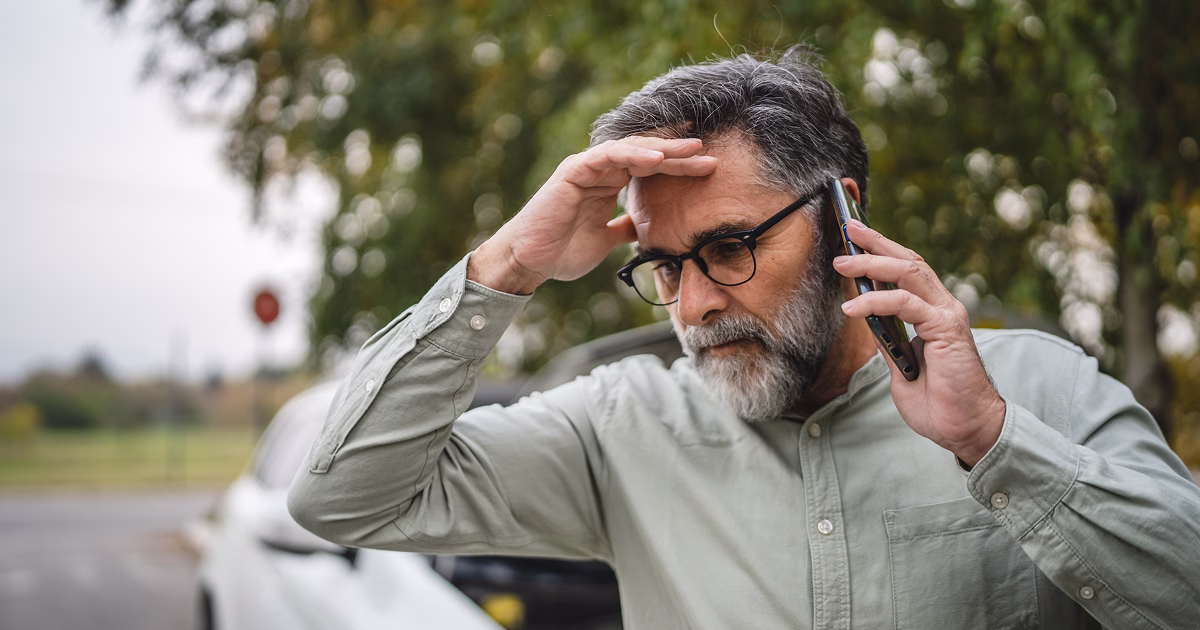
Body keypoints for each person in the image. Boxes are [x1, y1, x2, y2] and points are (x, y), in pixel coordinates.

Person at [288, 47, 1200, 629]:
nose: (690, 305)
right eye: (664, 265)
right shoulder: (616, 430)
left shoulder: (1039, 391)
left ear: (843, 215)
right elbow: (339, 498)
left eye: (726, 248)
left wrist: (993, 443)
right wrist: (507, 266)